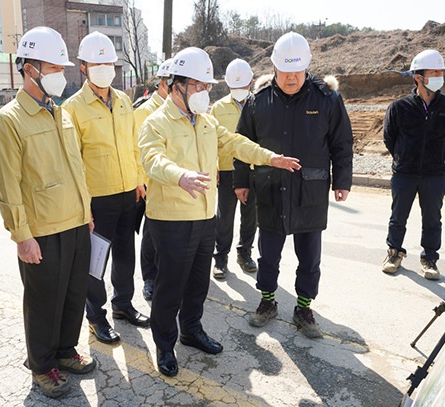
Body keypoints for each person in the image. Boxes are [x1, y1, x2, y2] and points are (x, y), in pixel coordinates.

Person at [138, 46, 301, 377]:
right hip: (170, 220)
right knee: (170, 287)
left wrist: (270, 157)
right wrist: (179, 175)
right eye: (199, 86)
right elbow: (152, 159)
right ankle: (165, 345)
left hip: (204, 216)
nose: (205, 92)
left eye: (207, 86)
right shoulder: (156, 122)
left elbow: (237, 143)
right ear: (177, 85)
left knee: (198, 283)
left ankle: (191, 330)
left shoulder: (207, 122)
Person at [0, 26, 96, 398]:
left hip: (76, 222)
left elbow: (75, 167)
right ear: (29, 69)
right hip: (42, 230)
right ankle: (42, 365)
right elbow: (7, 185)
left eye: (61, 69)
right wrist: (22, 235)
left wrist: (86, 211)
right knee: (44, 302)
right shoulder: (9, 120)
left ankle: (65, 351)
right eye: (53, 69)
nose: (59, 77)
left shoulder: (61, 113)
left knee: (72, 294)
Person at [235, 32, 354, 339]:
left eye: (297, 71)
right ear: (274, 68)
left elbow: (341, 143)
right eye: (285, 72)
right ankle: (268, 302)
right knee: (268, 254)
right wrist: (241, 181)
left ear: (307, 67)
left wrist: (342, 180)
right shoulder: (258, 101)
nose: (291, 78)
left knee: (309, 256)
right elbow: (241, 144)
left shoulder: (327, 99)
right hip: (271, 190)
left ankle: (303, 308)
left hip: (309, 193)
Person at [63, 31, 149, 346]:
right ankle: (96, 317)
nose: (104, 67)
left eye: (109, 61)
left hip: (129, 193)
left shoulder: (124, 101)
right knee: (96, 262)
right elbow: (73, 163)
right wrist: (83, 206)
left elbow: (134, 146)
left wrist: (140, 179)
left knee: (126, 254)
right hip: (97, 200)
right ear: (83, 66)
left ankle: (123, 305)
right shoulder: (72, 108)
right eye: (97, 62)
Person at [381, 49, 445, 280]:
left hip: (434, 174)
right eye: (434, 71)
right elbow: (390, 138)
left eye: (441, 71)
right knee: (398, 216)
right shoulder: (399, 107)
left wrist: (437, 154)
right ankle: (394, 253)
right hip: (404, 173)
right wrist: (404, 156)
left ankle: (429, 259)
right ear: (418, 76)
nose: (440, 75)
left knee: (432, 219)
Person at [211, 58, 258, 280]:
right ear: (228, 85)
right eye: (234, 87)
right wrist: (214, 167)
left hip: (252, 168)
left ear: (251, 82)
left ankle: (245, 253)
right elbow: (209, 140)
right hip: (227, 168)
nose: (239, 91)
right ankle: (220, 257)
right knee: (225, 216)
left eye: (243, 86)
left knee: (251, 215)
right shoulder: (217, 109)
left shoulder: (259, 105)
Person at [133, 57, 173, 301]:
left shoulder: (181, 109)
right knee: (151, 234)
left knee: (169, 233)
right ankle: (149, 277)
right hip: (151, 182)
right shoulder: (146, 111)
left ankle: (166, 274)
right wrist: (140, 181)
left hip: (173, 181)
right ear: (164, 82)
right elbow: (135, 149)